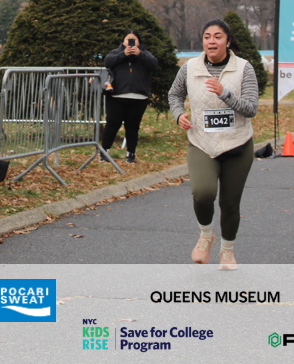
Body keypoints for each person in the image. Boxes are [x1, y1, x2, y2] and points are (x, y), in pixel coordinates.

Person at [168, 18, 259, 271]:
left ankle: (227, 251)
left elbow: (251, 109)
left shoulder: (244, 68)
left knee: (229, 202)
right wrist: (179, 114)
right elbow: (174, 94)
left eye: (218, 36)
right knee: (202, 193)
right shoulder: (190, 68)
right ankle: (206, 234)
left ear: (227, 41)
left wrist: (224, 93)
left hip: (237, 144)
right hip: (201, 143)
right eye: (207, 36)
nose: (212, 41)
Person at [101, 31, 158, 164]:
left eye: (134, 40)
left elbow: (153, 64)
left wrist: (140, 54)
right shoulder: (116, 53)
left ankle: (131, 154)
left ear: (139, 42)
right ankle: (104, 152)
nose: (131, 43)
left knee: (133, 127)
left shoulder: (145, 54)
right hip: (116, 96)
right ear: (123, 41)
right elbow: (107, 62)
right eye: (128, 40)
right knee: (112, 124)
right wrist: (123, 54)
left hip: (139, 97)